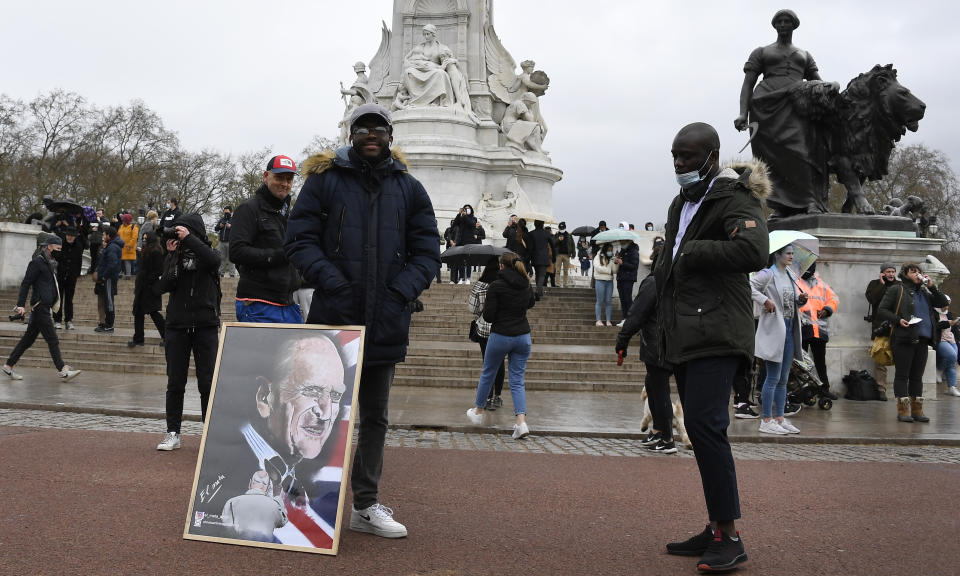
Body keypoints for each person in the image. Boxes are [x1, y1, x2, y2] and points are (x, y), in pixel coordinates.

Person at [285, 103, 440, 539]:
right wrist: (332, 282)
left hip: (386, 318)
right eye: (363, 128)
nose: (371, 134)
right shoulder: (323, 181)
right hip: (334, 319)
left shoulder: (410, 189)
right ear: (351, 135)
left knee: (374, 418)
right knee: (321, 412)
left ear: (390, 136)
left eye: (379, 128)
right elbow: (298, 240)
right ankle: (306, 503)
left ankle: (365, 505)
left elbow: (427, 250)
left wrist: (401, 292)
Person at [656, 122, 768, 572]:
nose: (680, 164)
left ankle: (731, 536)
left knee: (707, 429)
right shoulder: (681, 203)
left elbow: (755, 250)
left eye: (688, 156)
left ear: (712, 155)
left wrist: (694, 250)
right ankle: (716, 526)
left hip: (718, 332)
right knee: (702, 434)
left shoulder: (735, 198)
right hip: (686, 333)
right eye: (675, 156)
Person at [734, 9, 839, 217]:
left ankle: (810, 200)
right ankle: (781, 205)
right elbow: (747, 84)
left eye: (787, 21)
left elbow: (816, 81)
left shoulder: (805, 54)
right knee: (771, 158)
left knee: (802, 152)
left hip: (796, 104)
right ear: (774, 25)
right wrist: (742, 114)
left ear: (794, 25)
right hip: (765, 107)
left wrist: (831, 87)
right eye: (779, 21)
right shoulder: (761, 52)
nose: (783, 25)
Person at [155, 214, 222, 451]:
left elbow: (214, 261)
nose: (178, 235)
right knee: (175, 382)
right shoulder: (176, 254)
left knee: (207, 382)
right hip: (177, 326)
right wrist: (171, 254)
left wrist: (191, 239)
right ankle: (172, 432)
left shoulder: (207, 253)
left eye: (181, 230)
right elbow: (163, 286)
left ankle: (208, 429)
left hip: (205, 325)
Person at [465, 252, 536, 439]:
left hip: (501, 334)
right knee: (517, 380)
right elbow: (531, 303)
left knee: (488, 372)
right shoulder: (525, 283)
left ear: (501, 266)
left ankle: (478, 412)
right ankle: (521, 421)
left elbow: (488, 316)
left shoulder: (496, 286)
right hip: (523, 336)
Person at [230, 155, 302, 324]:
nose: (284, 183)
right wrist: (280, 255)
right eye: (279, 178)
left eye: (289, 179)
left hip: (288, 303)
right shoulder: (248, 208)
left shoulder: (286, 213)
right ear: (265, 176)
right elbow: (236, 252)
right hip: (258, 304)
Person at [2, 235, 82, 382]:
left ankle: (8, 365)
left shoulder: (50, 263)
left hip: (45, 306)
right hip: (40, 307)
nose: (59, 251)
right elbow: (26, 283)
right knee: (53, 339)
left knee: (27, 340)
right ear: (49, 247)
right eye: (57, 248)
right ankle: (62, 370)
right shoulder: (37, 263)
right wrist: (20, 304)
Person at [616, 274, 677, 453]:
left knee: (659, 389)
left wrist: (623, 339)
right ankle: (659, 431)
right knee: (652, 384)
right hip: (672, 341)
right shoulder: (676, 279)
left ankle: (667, 438)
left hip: (657, 343)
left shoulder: (654, 281)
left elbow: (637, 313)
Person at [751, 244, 807, 435]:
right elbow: (749, 287)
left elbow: (791, 301)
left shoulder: (790, 274)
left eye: (792, 253)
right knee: (773, 377)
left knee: (783, 379)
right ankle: (766, 419)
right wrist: (764, 301)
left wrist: (801, 300)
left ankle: (780, 417)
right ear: (778, 255)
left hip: (790, 327)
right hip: (775, 327)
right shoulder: (768, 273)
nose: (791, 256)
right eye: (788, 253)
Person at [877, 263, 943, 423]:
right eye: (913, 271)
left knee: (917, 376)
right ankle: (903, 410)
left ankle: (917, 410)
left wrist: (932, 287)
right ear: (905, 274)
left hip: (923, 339)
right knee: (902, 375)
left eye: (919, 271)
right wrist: (898, 320)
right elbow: (882, 309)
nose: (917, 274)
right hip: (903, 338)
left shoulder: (925, 292)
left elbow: (941, 303)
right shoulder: (897, 289)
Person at [796, 262, 839, 400]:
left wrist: (828, 309)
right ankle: (802, 390)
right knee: (800, 362)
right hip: (802, 327)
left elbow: (834, 298)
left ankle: (823, 389)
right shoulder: (795, 281)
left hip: (819, 328)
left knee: (820, 361)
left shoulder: (821, 283)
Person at [468, 257, 506, 410]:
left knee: (488, 363)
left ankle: (488, 396)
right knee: (500, 363)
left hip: (484, 329)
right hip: (502, 328)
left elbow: (472, 308)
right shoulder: (504, 284)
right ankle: (497, 396)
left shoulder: (480, 285)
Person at [219, 470, 288, 542]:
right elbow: (282, 522)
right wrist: (277, 496)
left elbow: (227, 526)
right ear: (267, 489)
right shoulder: (274, 505)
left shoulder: (231, 502)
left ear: (250, 484)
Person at [865, 263, 899, 399]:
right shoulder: (875, 284)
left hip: (897, 325)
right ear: (882, 273)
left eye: (893, 271)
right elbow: (871, 299)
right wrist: (881, 284)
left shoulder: (900, 285)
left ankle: (901, 388)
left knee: (900, 357)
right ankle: (881, 388)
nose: (891, 274)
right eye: (888, 271)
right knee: (880, 358)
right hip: (880, 326)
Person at [128, 231, 165, 347]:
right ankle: (138, 339)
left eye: (145, 239)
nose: (144, 241)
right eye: (143, 238)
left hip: (149, 287)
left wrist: (148, 280)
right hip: (142, 287)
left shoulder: (155, 251)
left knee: (153, 313)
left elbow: (158, 269)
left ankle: (167, 336)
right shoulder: (147, 250)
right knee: (139, 313)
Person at [52, 227, 83, 330]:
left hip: (71, 276)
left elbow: (79, 261)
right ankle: (57, 320)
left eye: (72, 236)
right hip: (60, 275)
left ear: (75, 237)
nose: (70, 237)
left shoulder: (78, 246)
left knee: (69, 299)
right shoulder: (60, 244)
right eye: (68, 235)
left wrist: (76, 274)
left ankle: (68, 320)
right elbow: (55, 257)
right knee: (58, 298)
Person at [95, 225, 123, 333]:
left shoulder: (112, 247)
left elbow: (112, 264)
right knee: (107, 300)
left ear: (108, 235)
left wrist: (104, 276)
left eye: (104, 234)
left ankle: (109, 324)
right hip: (108, 277)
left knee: (109, 301)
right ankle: (106, 323)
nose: (103, 236)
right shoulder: (112, 246)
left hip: (109, 278)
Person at [934, 296, 960, 397]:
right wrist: (946, 323)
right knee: (952, 355)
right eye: (945, 304)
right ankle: (939, 369)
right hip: (941, 339)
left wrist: (953, 324)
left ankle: (952, 387)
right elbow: (935, 326)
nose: (947, 307)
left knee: (952, 361)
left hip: (951, 339)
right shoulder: (934, 313)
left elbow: (953, 329)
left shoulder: (948, 313)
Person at [450, 204, 478, 284]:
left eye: (468, 209)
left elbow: (471, 224)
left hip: (469, 241)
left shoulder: (473, 218)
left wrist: (465, 216)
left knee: (468, 260)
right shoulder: (461, 218)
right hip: (461, 241)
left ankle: (468, 278)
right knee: (460, 260)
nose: (467, 210)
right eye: (465, 209)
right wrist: (459, 214)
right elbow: (455, 224)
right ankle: (461, 278)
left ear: (471, 210)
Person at [593, 242, 618, 326]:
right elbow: (598, 267)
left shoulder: (612, 258)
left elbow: (614, 271)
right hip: (600, 280)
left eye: (611, 250)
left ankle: (608, 320)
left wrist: (616, 263)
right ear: (605, 249)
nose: (610, 251)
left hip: (609, 281)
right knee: (600, 301)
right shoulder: (598, 256)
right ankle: (598, 320)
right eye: (609, 250)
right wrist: (608, 271)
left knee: (608, 301)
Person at [614, 239, 639, 325]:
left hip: (628, 278)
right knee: (623, 299)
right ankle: (625, 318)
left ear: (628, 242)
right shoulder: (623, 250)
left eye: (623, 242)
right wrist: (617, 259)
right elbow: (620, 263)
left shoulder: (634, 251)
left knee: (627, 299)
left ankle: (631, 319)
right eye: (620, 242)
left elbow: (634, 265)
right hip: (621, 278)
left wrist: (622, 263)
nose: (621, 244)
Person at [214, 206, 236, 278]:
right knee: (221, 258)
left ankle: (232, 274)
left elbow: (238, 230)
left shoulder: (234, 219)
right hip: (221, 242)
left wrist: (231, 227)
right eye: (224, 211)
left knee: (231, 258)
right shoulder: (222, 219)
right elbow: (216, 229)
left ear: (230, 212)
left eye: (227, 211)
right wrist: (220, 226)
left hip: (230, 242)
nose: (225, 212)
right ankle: (221, 273)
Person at [553, 222, 575, 287]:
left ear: (565, 227)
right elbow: (553, 243)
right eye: (560, 228)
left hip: (567, 255)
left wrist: (573, 253)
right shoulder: (556, 235)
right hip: (558, 255)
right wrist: (558, 240)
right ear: (559, 228)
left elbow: (572, 244)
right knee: (558, 270)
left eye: (563, 228)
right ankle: (557, 283)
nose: (561, 229)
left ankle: (565, 283)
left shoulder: (569, 235)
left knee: (566, 271)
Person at [118, 213, 139, 279]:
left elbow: (134, 238)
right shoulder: (121, 226)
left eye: (124, 220)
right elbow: (118, 235)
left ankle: (128, 275)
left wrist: (129, 245)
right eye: (122, 220)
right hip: (121, 247)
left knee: (127, 261)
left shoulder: (134, 227)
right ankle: (119, 273)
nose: (123, 222)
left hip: (128, 247)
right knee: (120, 261)